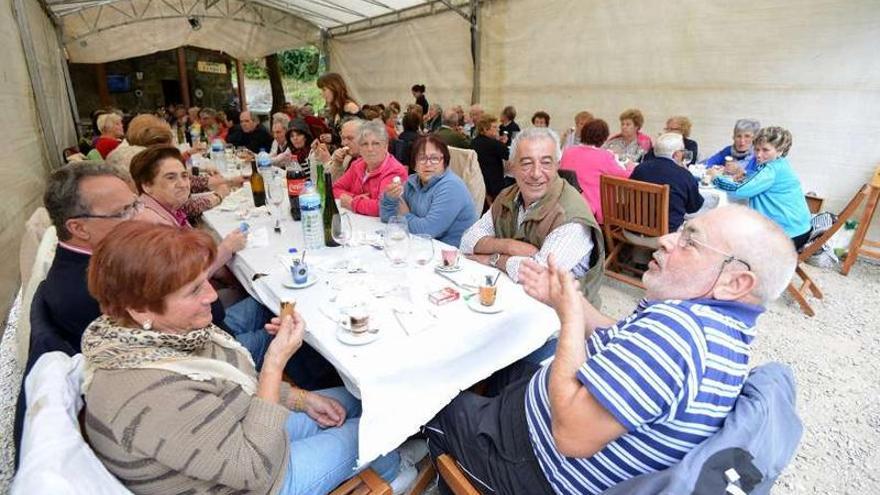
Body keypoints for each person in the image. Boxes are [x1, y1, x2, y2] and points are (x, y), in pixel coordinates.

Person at [427, 205, 798, 495]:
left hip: (536, 469)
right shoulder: (716, 326)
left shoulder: (679, 336)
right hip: (542, 429)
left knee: (435, 397)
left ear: (735, 282)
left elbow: (570, 435)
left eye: (690, 241)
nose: (666, 238)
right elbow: (618, 336)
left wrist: (571, 317)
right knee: (499, 362)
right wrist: (567, 299)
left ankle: (429, 464)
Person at [81, 221, 401, 495]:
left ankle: (385, 456)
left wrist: (300, 399)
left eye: (205, 280)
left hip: (239, 431)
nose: (211, 295)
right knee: (377, 430)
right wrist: (274, 363)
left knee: (363, 401)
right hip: (250, 481)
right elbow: (254, 470)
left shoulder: (155, 336)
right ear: (140, 309)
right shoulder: (147, 393)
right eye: (193, 290)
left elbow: (229, 389)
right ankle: (395, 474)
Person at [460, 127, 604, 304]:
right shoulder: (508, 196)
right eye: (526, 163)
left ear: (558, 165)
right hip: (511, 295)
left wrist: (492, 257)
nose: (536, 173)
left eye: (546, 163)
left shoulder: (571, 216)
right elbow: (467, 242)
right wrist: (510, 246)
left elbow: (538, 275)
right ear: (512, 167)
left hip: (560, 316)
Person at [41, 162, 146, 352]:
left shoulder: (101, 260)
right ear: (79, 228)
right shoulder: (98, 289)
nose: (139, 218)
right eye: (123, 212)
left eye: (135, 205)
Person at [129, 144, 246, 275]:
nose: (183, 184)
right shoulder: (153, 225)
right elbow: (188, 277)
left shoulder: (167, 209)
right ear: (147, 186)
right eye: (171, 177)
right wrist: (227, 248)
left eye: (184, 176)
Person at [714, 126, 812, 249]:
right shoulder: (779, 163)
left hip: (787, 234)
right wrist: (745, 174)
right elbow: (762, 179)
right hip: (800, 228)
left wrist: (716, 178)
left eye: (765, 150)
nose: (759, 155)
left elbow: (739, 191)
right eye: (756, 149)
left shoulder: (771, 169)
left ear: (780, 150)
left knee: (732, 238)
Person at [381, 136, 477, 246]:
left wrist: (404, 216)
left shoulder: (451, 186)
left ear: (444, 162)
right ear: (414, 164)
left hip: (453, 254)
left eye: (435, 159)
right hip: (421, 246)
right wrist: (389, 199)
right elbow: (387, 218)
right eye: (422, 158)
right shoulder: (412, 182)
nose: (428, 164)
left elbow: (428, 231)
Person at [559, 118, 635, 224]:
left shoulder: (568, 152)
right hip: (594, 212)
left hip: (567, 206)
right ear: (604, 138)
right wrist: (630, 166)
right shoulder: (604, 156)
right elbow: (627, 177)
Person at [630, 132, 704, 232]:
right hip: (666, 233)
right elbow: (693, 208)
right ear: (677, 154)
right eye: (682, 151)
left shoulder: (640, 169)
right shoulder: (684, 175)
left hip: (633, 227)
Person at [332, 121, 408, 216]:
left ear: (385, 146)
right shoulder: (357, 165)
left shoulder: (395, 171)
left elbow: (382, 207)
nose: (370, 149)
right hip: (357, 222)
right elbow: (335, 189)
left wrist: (352, 203)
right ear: (360, 148)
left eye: (376, 143)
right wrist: (356, 198)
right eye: (364, 144)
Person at [471, 115, 510, 201]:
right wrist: (501, 144)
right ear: (485, 129)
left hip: (478, 182)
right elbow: (509, 155)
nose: (498, 129)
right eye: (495, 127)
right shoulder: (493, 144)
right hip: (493, 185)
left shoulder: (474, 142)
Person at [314, 118, 363, 182]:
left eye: (350, 138)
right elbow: (331, 185)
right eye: (343, 138)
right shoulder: (347, 157)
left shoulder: (372, 163)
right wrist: (336, 164)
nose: (343, 143)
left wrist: (327, 161)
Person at [317, 72, 361, 144]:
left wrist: (333, 139)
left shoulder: (349, 107)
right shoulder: (336, 109)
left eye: (324, 89)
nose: (322, 94)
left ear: (335, 88)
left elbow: (356, 137)